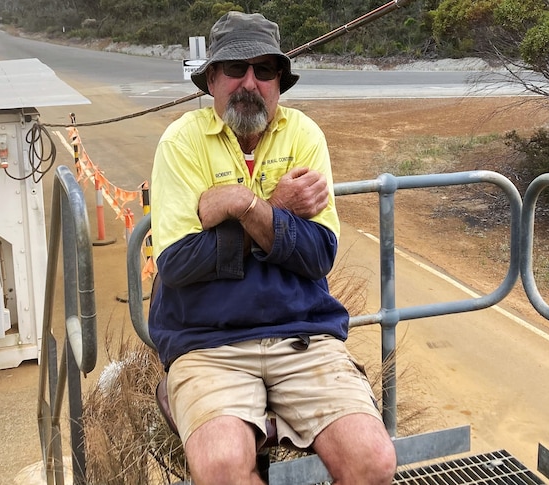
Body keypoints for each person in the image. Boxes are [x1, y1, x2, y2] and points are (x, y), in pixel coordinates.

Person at [149, 11, 396, 485]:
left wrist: (244, 205)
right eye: (235, 69)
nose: (249, 82)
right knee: (221, 468)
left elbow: (317, 255)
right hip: (206, 341)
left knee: (373, 462)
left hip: (303, 334)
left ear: (279, 81)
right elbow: (178, 264)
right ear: (211, 80)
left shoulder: (303, 135)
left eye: (264, 71)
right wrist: (279, 215)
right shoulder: (181, 142)